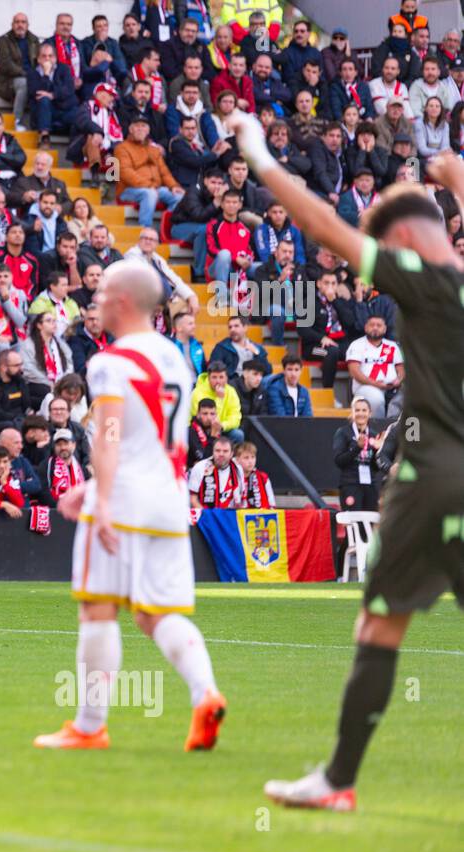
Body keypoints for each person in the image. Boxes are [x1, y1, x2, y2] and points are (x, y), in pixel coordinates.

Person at [232, 111, 464, 810]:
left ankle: (337, 780)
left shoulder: (423, 281)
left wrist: (264, 164)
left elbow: (327, 230)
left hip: (435, 478)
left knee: (380, 625)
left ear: (396, 237)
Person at [34, 259, 225, 752]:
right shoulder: (178, 360)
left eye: (99, 297)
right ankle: (205, 693)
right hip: (168, 496)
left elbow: (111, 434)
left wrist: (102, 494)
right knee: (155, 613)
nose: (93, 304)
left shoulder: (107, 364)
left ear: (121, 302)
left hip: (123, 497)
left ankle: (89, 725)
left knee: (99, 610)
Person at [344, 314, 404, 418]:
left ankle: (392, 427)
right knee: (376, 399)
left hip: (392, 388)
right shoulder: (357, 345)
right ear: (366, 327)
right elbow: (354, 371)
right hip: (366, 387)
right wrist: (376, 384)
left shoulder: (393, 346)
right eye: (372, 325)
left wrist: (398, 380)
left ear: (384, 329)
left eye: (379, 325)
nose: (375, 327)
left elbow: (401, 369)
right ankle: (379, 428)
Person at [333, 396, 385, 514]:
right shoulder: (343, 433)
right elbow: (339, 461)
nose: (360, 413)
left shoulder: (374, 435)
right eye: (357, 410)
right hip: (350, 484)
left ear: (370, 413)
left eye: (364, 410)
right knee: (353, 525)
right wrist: (357, 448)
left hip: (371, 485)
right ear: (352, 412)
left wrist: (379, 451)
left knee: (370, 525)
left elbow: (377, 467)